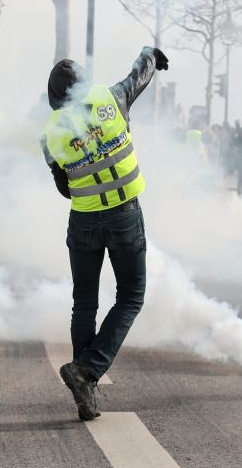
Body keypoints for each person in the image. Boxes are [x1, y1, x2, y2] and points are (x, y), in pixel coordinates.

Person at [41, 47, 167, 421]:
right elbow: (138, 77)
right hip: (125, 215)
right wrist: (150, 54)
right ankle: (88, 371)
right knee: (131, 297)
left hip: (83, 221)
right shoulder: (111, 99)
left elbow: (63, 187)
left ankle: (85, 388)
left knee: (84, 303)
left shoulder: (49, 135)